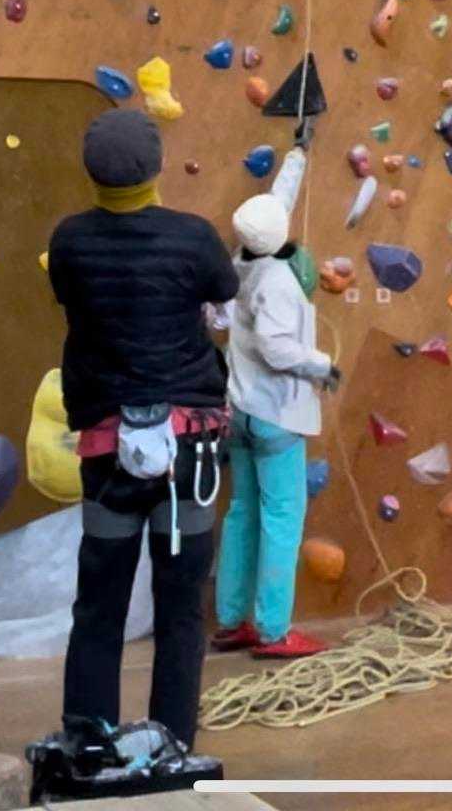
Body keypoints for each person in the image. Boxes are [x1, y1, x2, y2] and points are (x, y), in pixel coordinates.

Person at [48, 109, 239, 752]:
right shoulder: (194, 237)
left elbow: (71, 299)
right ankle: (172, 744)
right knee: (181, 608)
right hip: (191, 449)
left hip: (108, 452)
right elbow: (225, 287)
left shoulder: (70, 241)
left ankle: (89, 743)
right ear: (157, 167)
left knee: (98, 606)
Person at [212, 133, 341, 658]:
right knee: (282, 521)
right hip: (275, 417)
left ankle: (231, 621)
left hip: (239, 411)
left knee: (242, 512)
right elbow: (278, 348)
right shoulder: (279, 283)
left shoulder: (239, 260)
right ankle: (273, 630)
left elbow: (275, 206)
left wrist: (298, 155)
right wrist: (323, 366)